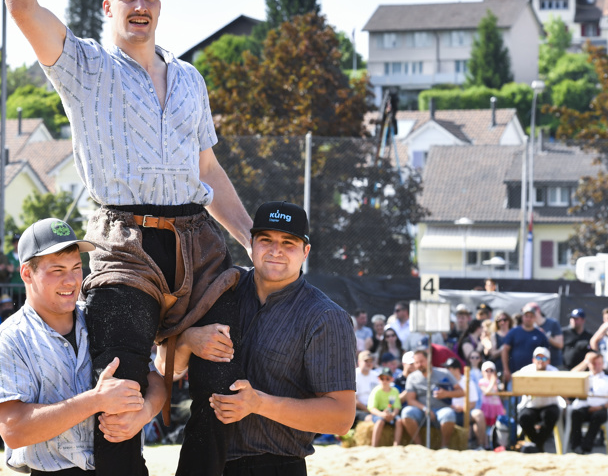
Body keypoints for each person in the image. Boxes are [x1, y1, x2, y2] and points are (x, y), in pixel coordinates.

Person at [8, 0, 253, 473]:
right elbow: (22, 7)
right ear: (108, 7)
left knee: (225, 389)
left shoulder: (190, 78)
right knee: (120, 396)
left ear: (160, 6)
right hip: (124, 243)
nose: (140, 5)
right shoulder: (86, 67)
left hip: (198, 245)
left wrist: (252, 239)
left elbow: (207, 168)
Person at [165, 201, 355, 475]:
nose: (276, 250)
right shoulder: (220, 290)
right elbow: (164, 369)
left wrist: (259, 404)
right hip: (199, 458)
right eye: (266, 240)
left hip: (274, 465)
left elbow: (341, 418)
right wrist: (187, 340)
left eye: (288, 243)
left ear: (305, 251)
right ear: (251, 244)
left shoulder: (325, 317)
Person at [0, 217, 162, 473]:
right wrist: (96, 400)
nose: (71, 280)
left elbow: (155, 381)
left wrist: (144, 413)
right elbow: (14, 430)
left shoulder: (103, 317)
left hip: (124, 466)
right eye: (57, 270)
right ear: (27, 273)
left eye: (76, 267)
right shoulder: (6, 342)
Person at [400, 348, 463, 448]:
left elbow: (461, 392)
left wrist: (446, 394)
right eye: (416, 363)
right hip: (422, 411)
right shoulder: (412, 377)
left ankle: (444, 446)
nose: (419, 365)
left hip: (441, 409)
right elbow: (410, 400)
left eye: (421, 361)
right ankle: (419, 446)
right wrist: (425, 409)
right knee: (407, 412)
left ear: (429, 360)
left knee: (449, 414)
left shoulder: (444, 373)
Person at [515, 346, 561, 453]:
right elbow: (518, 388)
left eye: (544, 358)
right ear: (533, 359)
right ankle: (538, 445)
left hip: (549, 404)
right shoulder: (525, 370)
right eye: (538, 358)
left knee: (550, 415)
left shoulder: (554, 372)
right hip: (531, 405)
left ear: (548, 361)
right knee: (524, 418)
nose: (541, 361)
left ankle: (537, 445)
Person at [568, 352, 608, 454]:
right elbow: (570, 376)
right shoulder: (583, 377)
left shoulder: (606, 379)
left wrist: (601, 407)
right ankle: (576, 446)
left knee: (598, 417)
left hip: (601, 408)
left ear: (603, 364)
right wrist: (586, 361)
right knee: (576, 414)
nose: (596, 366)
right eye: (594, 363)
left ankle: (586, 447)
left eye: (599, 363)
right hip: (583, 408)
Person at [500, 304, 550, 384]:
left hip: (534, 376)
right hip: (515, 374)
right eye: (526, 316)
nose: (528, 319)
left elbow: (546, 354)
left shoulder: (540, 334)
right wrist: (506, 369)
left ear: (535, 318)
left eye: (531, 316)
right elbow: (505, 350)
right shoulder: (513, 332)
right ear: (522, 317)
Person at [366, 367, 403, 447]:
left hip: (390, 413)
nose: (384, 381)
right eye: (382, 378)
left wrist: (393, 415)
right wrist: (382, 414)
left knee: (399, 421)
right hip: (379, 413)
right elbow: (372, 408)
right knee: (380, 422)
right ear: (378, 379)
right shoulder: (376, 391)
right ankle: (374, 446)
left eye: (387, 378)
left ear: (392, 379)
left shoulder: (395, 391)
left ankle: (396, 446)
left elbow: (397, 407)